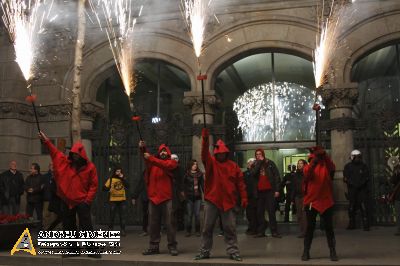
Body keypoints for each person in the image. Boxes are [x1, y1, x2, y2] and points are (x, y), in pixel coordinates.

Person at [38, 131, 100, 259]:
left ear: (82, 155)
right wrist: (46, 140)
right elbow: (54, 152)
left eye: (77, 155)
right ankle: (73, 250)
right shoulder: (66, 163)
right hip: (66, 200)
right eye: (73, 154)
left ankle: (92, 250)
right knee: (68, 226)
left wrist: (87, 201)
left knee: (86, 226)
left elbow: (94, 185)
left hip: (82, 201)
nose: (75, 157)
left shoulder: (90, 168)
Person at [195, 128, 248, 261]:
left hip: (228, 201)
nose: (221, 155)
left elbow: (240, 183)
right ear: (217, 153)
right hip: (212, 200)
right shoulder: (211, 162)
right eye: (220, 153)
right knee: (207, 228)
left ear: (226, 153)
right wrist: (205, 139)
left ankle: (233, 251)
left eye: (223, 153)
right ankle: (204, 250)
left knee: (230, 228)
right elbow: (204, 154)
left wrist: (244, 197)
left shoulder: (233, 166)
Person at [139, 140, 179, 256]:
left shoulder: (171, 163)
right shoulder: (152, 163)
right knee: (153, 224)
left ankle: (172, 246)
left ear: (168, 153)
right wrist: (143, 148)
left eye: (165, 151)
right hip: (153, 198)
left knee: (170, 224)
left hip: (167, 198)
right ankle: (153, 247)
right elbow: (146, 158)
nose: (162, 153)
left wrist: (151, 158)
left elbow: (164, 164)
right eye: (161, 151)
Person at [301, 146, 337, 262]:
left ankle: (332, 251)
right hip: (312, 201)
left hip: (325, 200)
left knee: (328, 228)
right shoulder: (308, 167)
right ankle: (306, 251)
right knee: (310, 228)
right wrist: (314, 162)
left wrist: (325, 156)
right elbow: (307, 175)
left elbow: (332, 168)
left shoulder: (325, 166)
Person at [250, 148, 282, 238]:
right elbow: (253, 174)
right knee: (260, 213)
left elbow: (276, 176)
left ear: (263, 154)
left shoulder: (270, 163)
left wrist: (277, 190)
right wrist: (259, 163)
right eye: (257, 154)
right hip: (259, 192)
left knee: (271, 212)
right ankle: (261, 232)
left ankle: (274, 232)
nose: (258, 155)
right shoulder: (254, 165)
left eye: (260, 154)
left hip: (270, 191)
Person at [343, 149, 370, 231]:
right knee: (351, 207)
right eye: (356, 157)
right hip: (352, 189)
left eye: (358, 157)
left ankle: (365, 224)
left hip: (361, 190)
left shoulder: (364, 166)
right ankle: (352, 223)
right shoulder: (348, 166)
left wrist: (360, 184)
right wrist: (352, 184)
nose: (357, 158)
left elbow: (366, 177)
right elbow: (345, 178)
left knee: (363, 207)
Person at [103, 166, 129, 236]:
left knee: (122, 216)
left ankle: (123, 230)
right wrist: (108, 189)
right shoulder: (111, 179)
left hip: (122, 200)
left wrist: (123, 178)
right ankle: (110, 229)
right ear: (114, 172)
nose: (118, 173)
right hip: (113, 200)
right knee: (112, 215)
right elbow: (104, 188)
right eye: (117, 171)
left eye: (120, 171)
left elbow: (128, 185)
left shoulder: (123, 178)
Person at [183, 159, 204, 237]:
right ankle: (188, 231)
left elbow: (202, 185)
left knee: (197, 215)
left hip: (197, 197)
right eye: (193, 164)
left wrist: (206, 194)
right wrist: (184, 195)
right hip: (189, 197)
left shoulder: (200, 174)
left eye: (196, 164)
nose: (195, 165)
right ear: (190, 165)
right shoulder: (186, 174)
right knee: (189, 215)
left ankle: (197, 231)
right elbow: (183, 186)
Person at [24, 163, 44, 229]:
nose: (30, 170)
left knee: (39, 215)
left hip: (38, 200)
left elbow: (42, 187)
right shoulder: (28, 177)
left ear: (36, 170)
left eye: (32, 168)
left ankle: (39, 229)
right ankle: (28, 228)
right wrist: (27, 189)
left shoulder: (41, 177)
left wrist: (34, 190)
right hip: (29, 199)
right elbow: (25, 185)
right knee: (28, 215)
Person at [132, 171, 149, 236]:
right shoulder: (145, 173)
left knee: (155, 215)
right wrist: (134, 197)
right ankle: (145, 230)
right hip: (145, 197)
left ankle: (156, 231)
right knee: (145, 215)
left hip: (154, 197)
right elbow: (140, 185)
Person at [171, 154, 185, 232]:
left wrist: (182, 190)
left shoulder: (180, 169)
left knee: (179, 209)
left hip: (178, 191)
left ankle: (180, 225)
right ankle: (173, 225)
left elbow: (182, 180)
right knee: (173, 209)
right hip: (172, 191)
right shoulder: (169, 168)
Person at [243, 158, 257, 235]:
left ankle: (255, 228)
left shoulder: (257, 173)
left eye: (253, 162)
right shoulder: (244, 174)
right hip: (248, 196)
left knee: (256, 213)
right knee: (249, 214)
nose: (252, 164)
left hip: (256, 196)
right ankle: (251, 228)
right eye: (250, 163)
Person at [294, 159, 307, 238]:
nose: (299, 165)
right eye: (298, 163)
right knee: (299, 215)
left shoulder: (306, 173)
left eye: (301, 163)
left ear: (304, 164)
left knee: (304, 215)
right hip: (297, 196)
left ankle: (305, 232)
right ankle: (302, 230)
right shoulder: (296, 174)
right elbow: (294, 186)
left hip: (305, 196)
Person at [41, 163, 54, 229]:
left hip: (55, 199)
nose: (53, 166)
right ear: (49, 167)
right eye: (51, 165)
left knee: (55, 215)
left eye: (54, 165)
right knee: (46, 215)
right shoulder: (45, 176)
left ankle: (55, 230)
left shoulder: (58, 175)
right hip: (47, 199)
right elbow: (41, 187)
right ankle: (46, 229)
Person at [390, 164, 400, 236]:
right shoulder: (396, 174)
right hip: (398, 197)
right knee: (398, 214)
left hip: (398, 196)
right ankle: (399, 230)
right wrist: (395, 173)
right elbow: (392, 181)